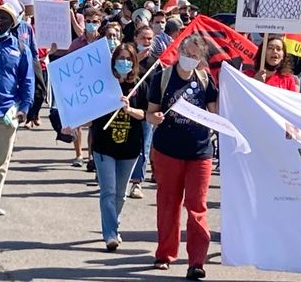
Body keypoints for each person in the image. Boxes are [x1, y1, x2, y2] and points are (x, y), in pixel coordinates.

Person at [146, 34, 218, 280]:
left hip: (199, 153)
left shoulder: (206, 80)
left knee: (197, 206)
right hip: (168, 151)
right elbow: (150, 113)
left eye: (195, 56)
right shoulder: (162, 78)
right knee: (168, 204)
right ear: (179, 52)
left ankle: (196, 261)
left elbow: (215, 113)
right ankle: (165, 254)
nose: (190, 59)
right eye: (187, 54)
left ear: (201, 59)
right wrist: (154, 119)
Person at [90, 44, 148, 250]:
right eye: (120, 58)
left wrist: (129, 109)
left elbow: (146, 115)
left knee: (120, 193)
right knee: (108, 191)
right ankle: (110, 234)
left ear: (133, 62)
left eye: (128, 59)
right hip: (104, 146)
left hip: (130, 147)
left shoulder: (140, 85)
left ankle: (114, 222)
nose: (124, 62)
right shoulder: (104, 83)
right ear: (113, 61)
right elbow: (90, 109)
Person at [0, 3, 34, 216]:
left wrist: (24, 108)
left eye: (3, 18)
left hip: (6, 111)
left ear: (13, 23)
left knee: (0, 159)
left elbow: (27, 80)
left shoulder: (19, 47)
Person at [67, 9, 104, 166]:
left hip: (97, 89)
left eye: (95, 21)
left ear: (100, 23)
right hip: (79, 87)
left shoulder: (103, 42)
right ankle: (78, 154)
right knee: (77, 122)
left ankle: (91, 156)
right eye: (88, 21)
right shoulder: (76, 44)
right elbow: (68, 66)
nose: (91, 24)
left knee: (95, 125)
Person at [128, 25, 156, 199]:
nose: (147, 42)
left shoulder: (155, 62)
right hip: (126, 109)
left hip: (144, 111)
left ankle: (137, 182)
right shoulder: (126, 57)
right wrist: (135, 61)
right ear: (136, 39)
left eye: (150, 39)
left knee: (143, 146)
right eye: (144, 38)